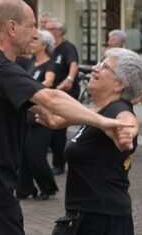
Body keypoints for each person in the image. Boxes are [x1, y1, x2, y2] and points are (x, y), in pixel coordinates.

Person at [0, 0, 135, 235]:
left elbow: (41, 106)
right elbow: (51, 98)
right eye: (31, 25)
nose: (37, 34)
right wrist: (104, 122)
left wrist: (55, 118)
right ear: (11, 27)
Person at [41, 48, 142, 235]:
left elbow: (128, 120)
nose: (95, 68)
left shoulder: (117, 110)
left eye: (104, 66)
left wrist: (128, 130)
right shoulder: (97, 113)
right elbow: (59, 116)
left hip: (103, 220)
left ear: (119, 84)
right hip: (87, 215)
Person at [16, 30, 57, 201]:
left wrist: (32, 89)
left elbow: (49, 81)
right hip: (28, 114)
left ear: (44, 46)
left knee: (36, 154)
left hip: (42, 114)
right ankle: (25, 188)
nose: (32, 44)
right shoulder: (30, 62)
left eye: (35, 41)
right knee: (23, 154)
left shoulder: (50, 64)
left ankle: (48, 187)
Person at [44, 18, 80, 175]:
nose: (47, 31)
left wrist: (69, 79)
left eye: (50, 29)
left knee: (59, 129)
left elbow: (73, 64)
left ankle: (59, 164)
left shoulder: (68, 47)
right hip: (50, 91)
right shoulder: (49, 48)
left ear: (59, 31)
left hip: (65, 91)